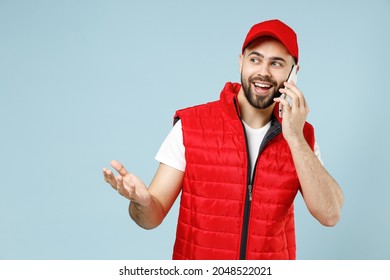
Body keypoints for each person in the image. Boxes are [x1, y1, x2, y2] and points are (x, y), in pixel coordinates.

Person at [102, 19, 343, 260]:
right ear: (241, 62)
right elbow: (151, 218)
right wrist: (141, 203)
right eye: (255, 59)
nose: (264, 72)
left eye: (277, 63)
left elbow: (330, 214)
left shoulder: (301, 137)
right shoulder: (191, 125)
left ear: (294, 73)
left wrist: (295, 137)